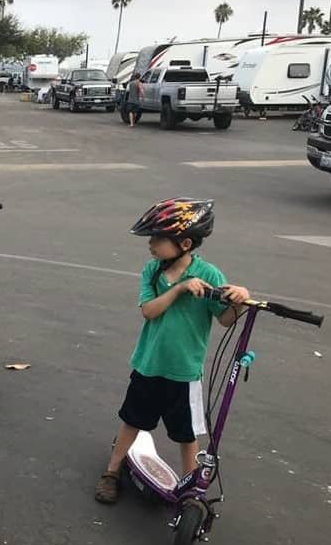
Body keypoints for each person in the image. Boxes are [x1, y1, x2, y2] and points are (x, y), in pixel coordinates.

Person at [94, 198, 250, 504]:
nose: (151, 245)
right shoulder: (152, 272)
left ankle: (190, 489)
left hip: (185, 371)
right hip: (148, 365)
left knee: (186, 435)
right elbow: (149, 311)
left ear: (185, 243)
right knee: (132, 421)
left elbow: (226, 319)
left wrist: (240, 299)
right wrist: (179, 288)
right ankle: (112, 472)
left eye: (157, 239)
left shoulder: (211, 275)